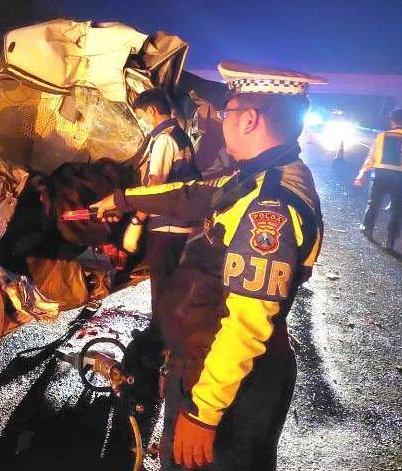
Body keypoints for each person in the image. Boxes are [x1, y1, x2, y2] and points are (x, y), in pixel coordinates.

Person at [92, 61, 326, 470]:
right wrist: (124, 199)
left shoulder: (269, 207)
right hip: (206, 366)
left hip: (231, 388)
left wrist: (203, 411)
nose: (221, 120)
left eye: (227, 112)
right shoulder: (256, 176)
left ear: (249, 119)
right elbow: (191, 193)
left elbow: (246, 326)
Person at [126, 89, 201, 312]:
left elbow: (155, 186)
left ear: (151, 111)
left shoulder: (164, 140)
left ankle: (160, 341)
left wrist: (136, 222)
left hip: (166, 225)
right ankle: (167, 337)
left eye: (142, 116)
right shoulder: (181, 135)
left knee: (162, 291)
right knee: (173, 287)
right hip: (181, 223)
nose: (143, 122)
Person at [354, 108, 402, 251]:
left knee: (374, 203)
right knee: (397, 209)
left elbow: (371, 157)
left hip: (382, 175)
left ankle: (367, 228)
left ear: (392, 120)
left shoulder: (381, 136)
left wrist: (361, 174)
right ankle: (390, 240)